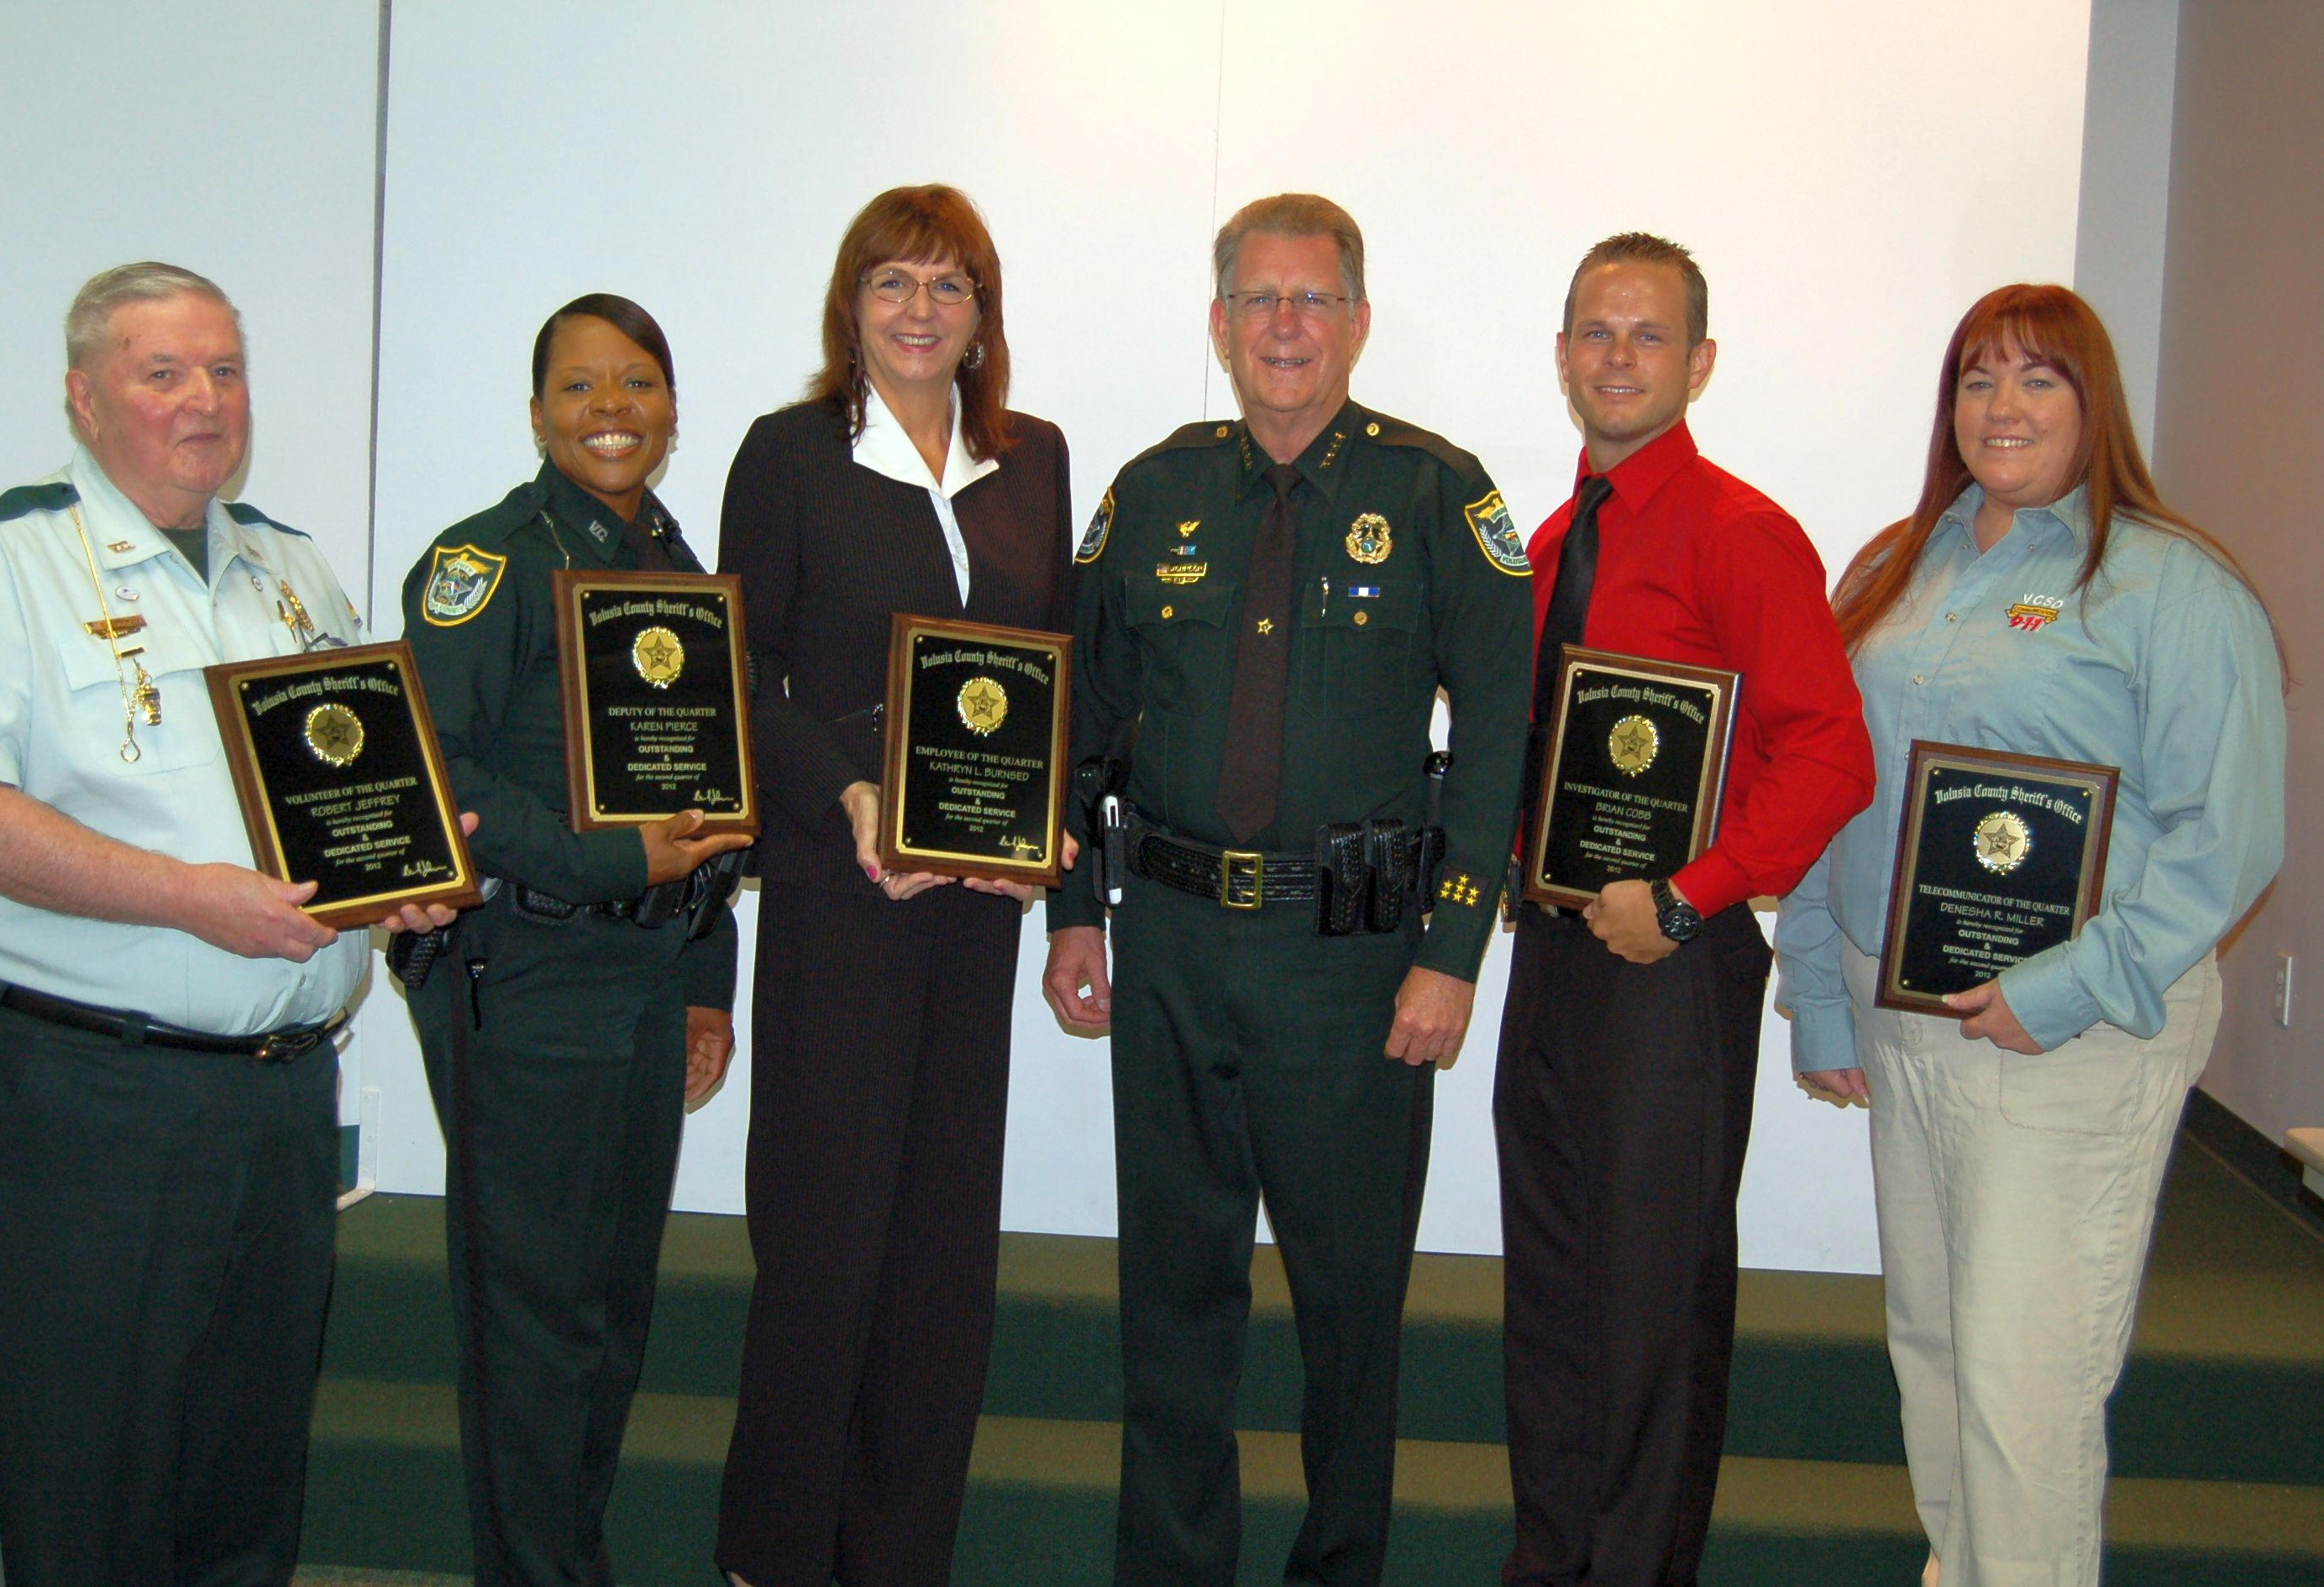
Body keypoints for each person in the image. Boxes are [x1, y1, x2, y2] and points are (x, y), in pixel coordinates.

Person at [0, 261, 464, 1584]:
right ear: (85, 400)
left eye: (226, 369)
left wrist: (403, 877)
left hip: (274, 1102)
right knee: (87, 1482)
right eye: (164, 372)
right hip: (88, 1093)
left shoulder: (292, 571)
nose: (205, 400)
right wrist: (186, 898)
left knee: (243, 1480)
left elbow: (343, 806)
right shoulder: (2, 562)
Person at [1043, 192, 1530, 1587]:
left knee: (1348, 1310)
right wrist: (1074, 909)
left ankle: (1338, 1568)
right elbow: (1083, 720)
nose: (1284, 327)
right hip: (1175, 946)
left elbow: (1499, 736)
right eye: (1258, 300)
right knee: (1173, 1299)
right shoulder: (1151, 492)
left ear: (1359, 324)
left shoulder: (1440, 495)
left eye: (1312, 300)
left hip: (1355, 966)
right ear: (1216, 323)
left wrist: (1451, 952)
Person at [1775, 284, 2285, 1587]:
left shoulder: (2168, 586)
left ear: (2090, 402)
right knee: (1935, 1345)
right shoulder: (1896, 563)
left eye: (2036, 379)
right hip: (1904, 1018)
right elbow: (1835, 783)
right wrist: (1821, 997)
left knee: (2023, 1378)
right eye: (1976, 379)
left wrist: (2058, 990)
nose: (2001, 407)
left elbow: (2220, 839)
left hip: (2076, 1037)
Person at [1492, 233, 1875, 1587]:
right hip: (1548, 955)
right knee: (1547, 1294)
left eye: (1647, 335)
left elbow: (1831, 754)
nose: (1615, 356)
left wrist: (1691, 893)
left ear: (1698, 362)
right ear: (1558, 355)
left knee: (1649, 1313)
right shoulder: (1546, 541)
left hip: (1668, 968)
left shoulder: (1742, 533)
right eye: (1594, 331)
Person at [711, 184, 1075, 1587]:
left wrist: (1041, 826)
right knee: (821, 1243)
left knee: (938, 1257)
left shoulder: (1030, 458)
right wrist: (850, 791)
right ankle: (776, 1554)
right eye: (892, 283)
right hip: (837, 893)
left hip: (973, 911)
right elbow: (739, 672)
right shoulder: (790, 454)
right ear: (848, 305)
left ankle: (898, 1554)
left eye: (948, 285)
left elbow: (1053, 667)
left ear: (983, 313)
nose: (919, 310)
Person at [398, 293, 750, 1587]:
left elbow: (713, 795)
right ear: (537, 411)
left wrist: (709, 975)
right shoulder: (482, 561)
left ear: (671, 407)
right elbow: (440, 769)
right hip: (526, 976)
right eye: (581, 387)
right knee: (533, 1325)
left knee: (611, 1311)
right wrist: (609, 860)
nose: (613, 410)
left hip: (651, 981)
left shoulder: (676, 567)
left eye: (639, 384)